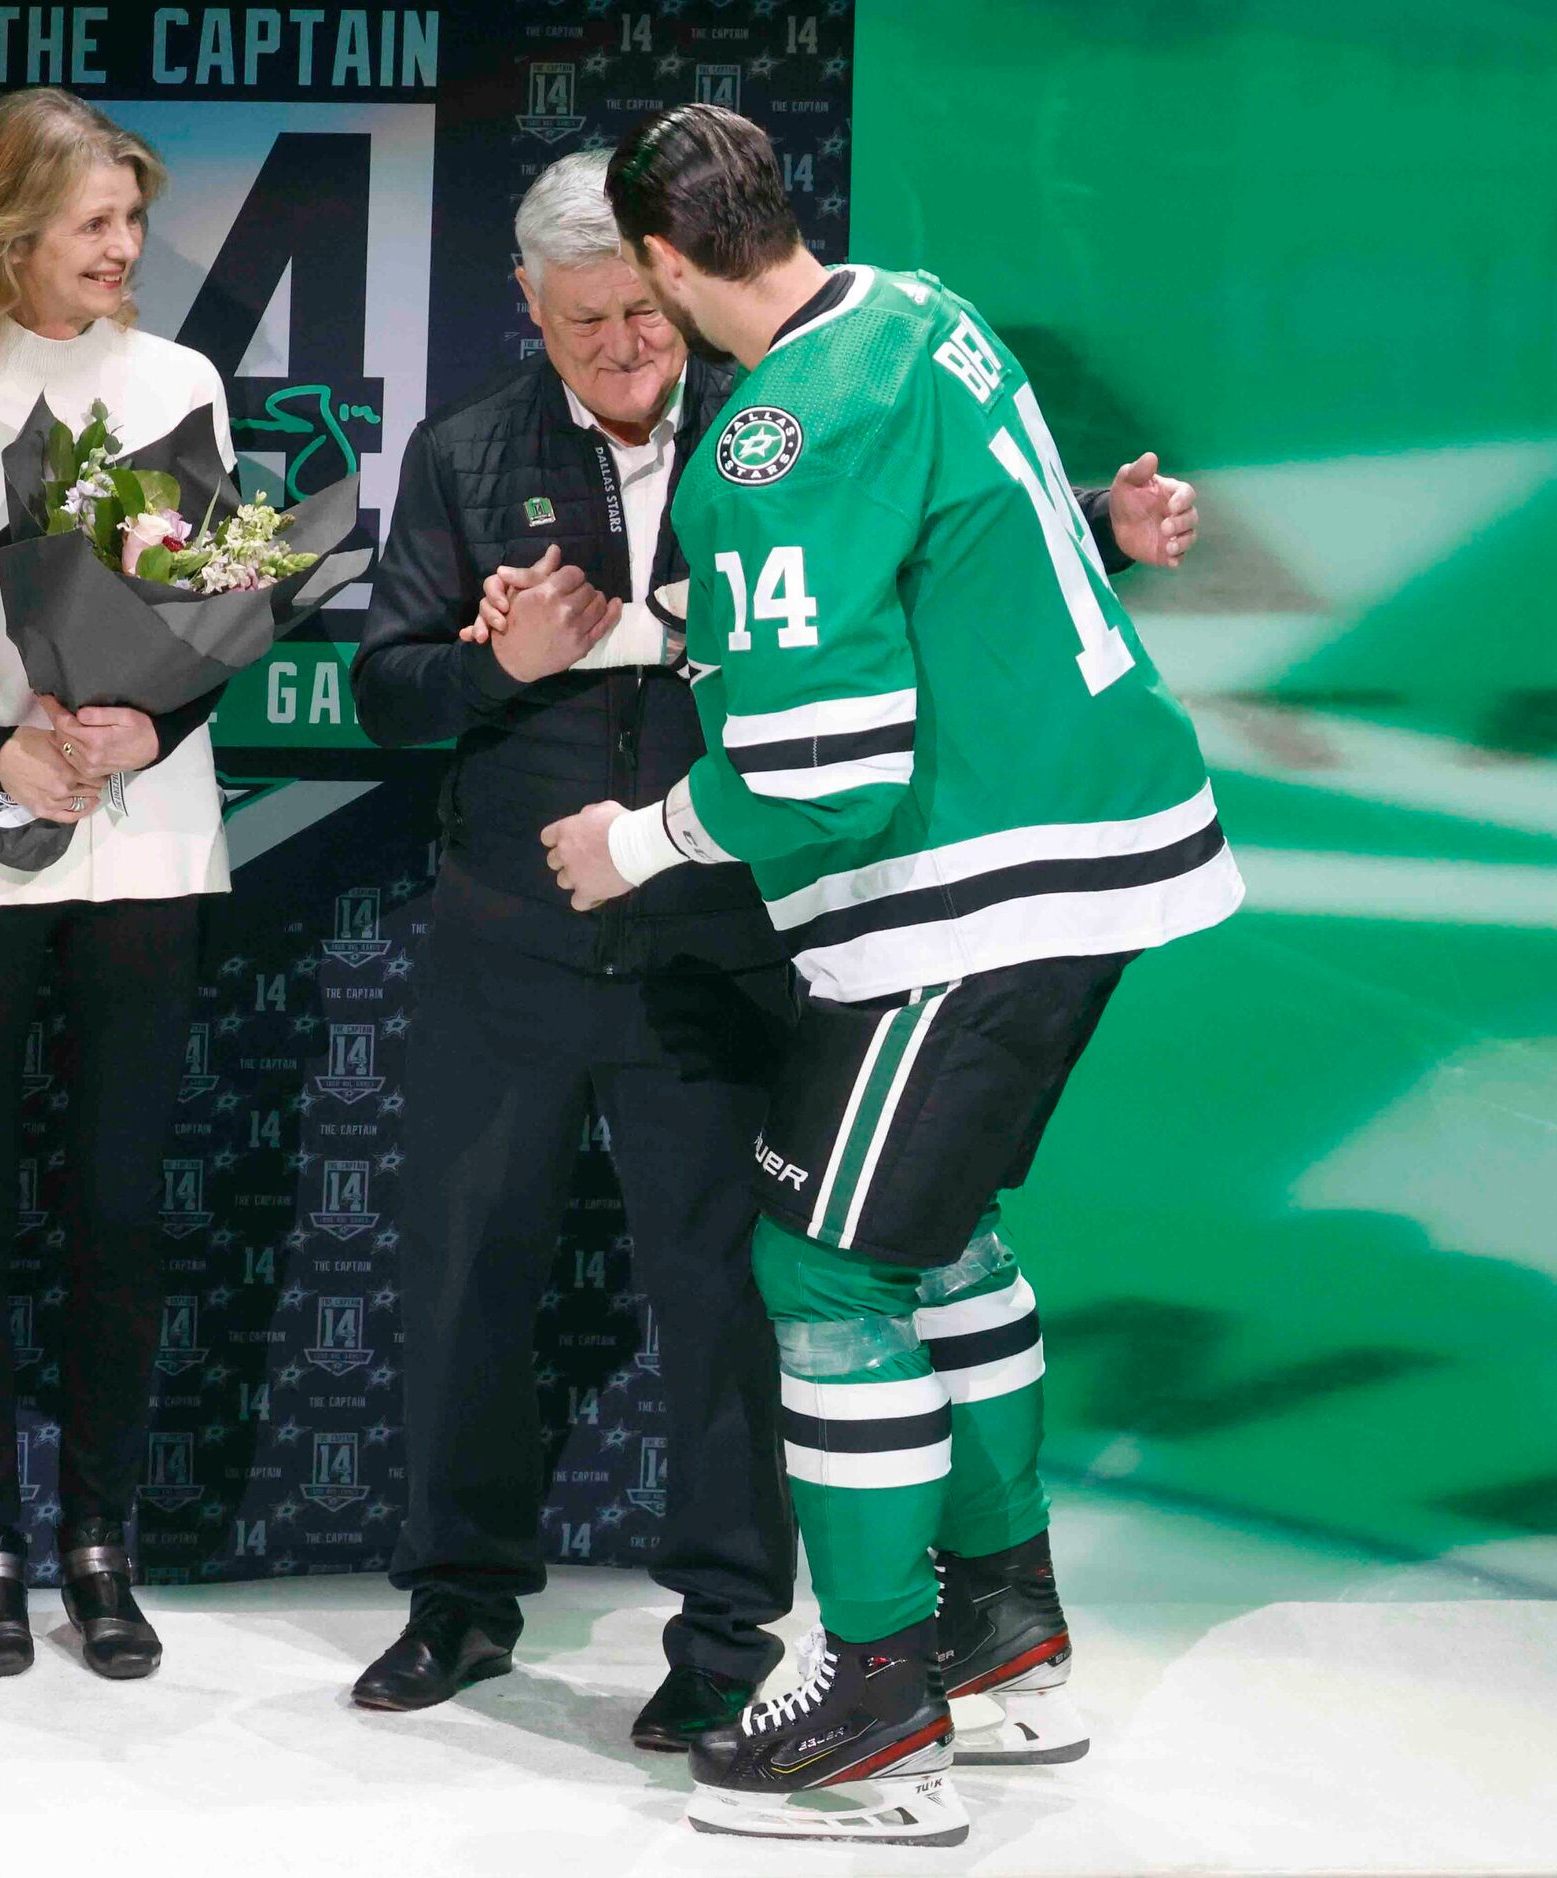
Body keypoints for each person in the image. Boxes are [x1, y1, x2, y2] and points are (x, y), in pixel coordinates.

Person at [351, 150, 1202, 1748]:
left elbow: (881, 642)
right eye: (584, 319)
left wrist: (1093, 521)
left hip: (736, 941)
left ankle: (754, 1640)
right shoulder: (472, 452)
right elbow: (387, 685)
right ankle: (467, 1599)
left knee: (766, 1292)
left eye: (640, 310)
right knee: (494, 1285)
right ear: (527, 313)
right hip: (519, 950)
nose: (624, 345)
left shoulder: (772, 421)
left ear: (678, 278)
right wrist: (496, 664)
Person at [535, 103, 1242, 1844]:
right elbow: (931, 565)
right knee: (941, 1238)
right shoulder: (923, 307)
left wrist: (635, 839)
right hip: (1096, 851)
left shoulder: (770, 428)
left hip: (964, 895)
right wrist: (635, 629)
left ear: (662, 262)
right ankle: (1000, 1634)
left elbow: (824, 756)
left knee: (828, 1268)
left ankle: (870, 1705)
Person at [0, 87, 233, 1679]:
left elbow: (218, 611)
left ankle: (101, 1540)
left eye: (131, 221)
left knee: (121, 1205)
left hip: (148, 845)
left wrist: (153, 712)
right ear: (5, 231)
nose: (124, 249)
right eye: (94, 224)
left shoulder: (181, 381)